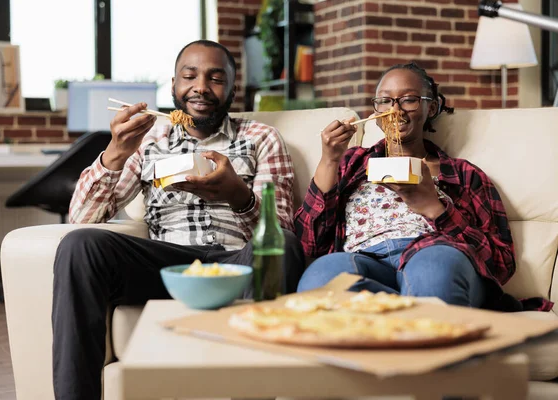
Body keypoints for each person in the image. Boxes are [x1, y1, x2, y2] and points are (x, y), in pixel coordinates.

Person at [52, 40, 305, 400]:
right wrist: (115, 153)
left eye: (216, 78)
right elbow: (83, 217)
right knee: (79, 246)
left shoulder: (261, 138)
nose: (200, 86)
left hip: (234, 262)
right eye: (189, 76)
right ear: (173, 86)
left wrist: (238, 195)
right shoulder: (148, 141)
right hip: (165, 263)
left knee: (285, 250)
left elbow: (279, 230)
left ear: (232, 89)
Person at [294, 62, 553, 312]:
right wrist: (329, 159)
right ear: (375, 113)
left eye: (408, 99)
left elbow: (501, 263)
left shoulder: (464, 174)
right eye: (385, 101)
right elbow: (310, 244)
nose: (396, 109)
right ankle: (413, 306)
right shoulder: (351, 164)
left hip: (434, 252)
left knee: (433, 270)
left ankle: (404, 307)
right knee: (322, 278)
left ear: (431, 108)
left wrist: (435, 207)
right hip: (363, 260)